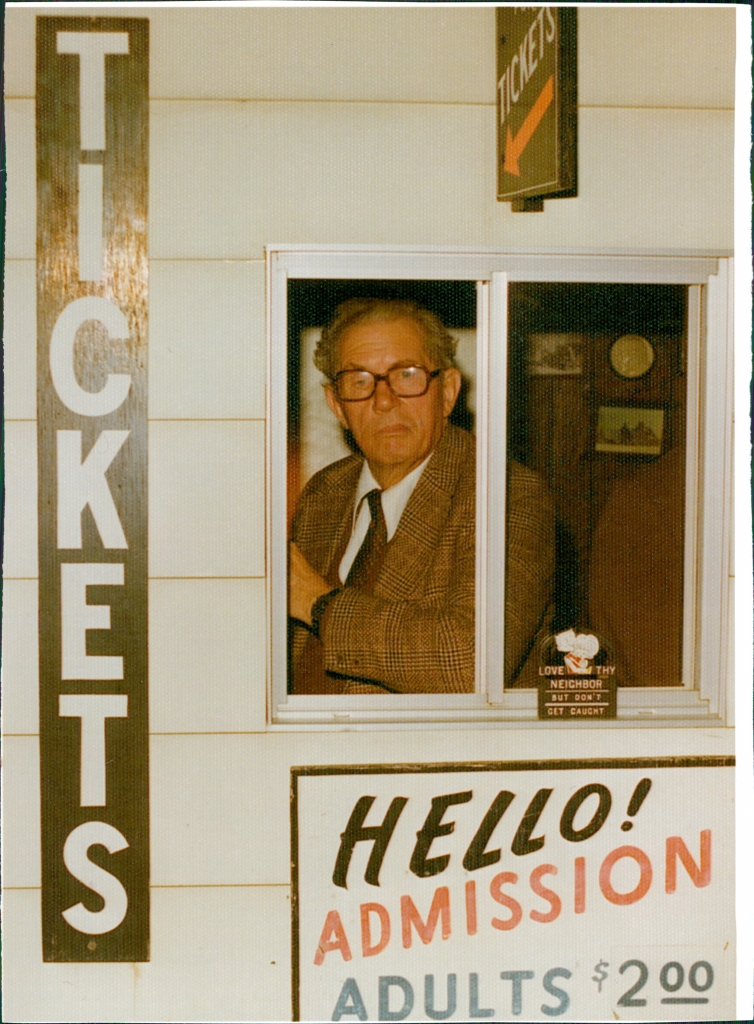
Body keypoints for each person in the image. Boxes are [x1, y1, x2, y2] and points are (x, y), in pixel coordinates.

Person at [288, 298, 554, 695]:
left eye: (407, 376)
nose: (383, 401)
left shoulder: (506, 494)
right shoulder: (324, 492)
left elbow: (471, 660)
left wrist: (318, 603)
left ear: (447, 392)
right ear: (337, 406)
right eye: (359, 382)